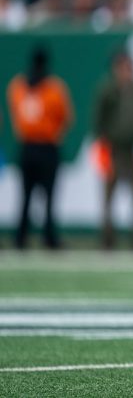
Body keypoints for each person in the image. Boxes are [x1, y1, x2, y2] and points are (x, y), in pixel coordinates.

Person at [7, 47, 73, 249]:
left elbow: (16, 114)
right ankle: (48, 237)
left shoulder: (18, 86)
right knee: (47, 196)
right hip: (46, 147)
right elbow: (65, 117)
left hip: (28, 146)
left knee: (26, 196)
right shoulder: (54, 88)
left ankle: (21, 237)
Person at [93, 51, 133, 250]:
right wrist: (101, 144)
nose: (127, 72)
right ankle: (107, 237)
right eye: (124, 67)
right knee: (109, 196)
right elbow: (99, 119)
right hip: (114, 149)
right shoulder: (107, 91)